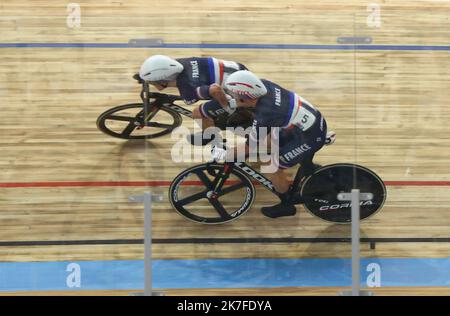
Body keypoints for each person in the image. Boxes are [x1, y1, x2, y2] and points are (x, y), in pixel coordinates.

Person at [222, 70, 336, 218]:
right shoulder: (265, 85)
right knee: (268, 141)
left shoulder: (266, 114)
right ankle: (308, 166)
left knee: (271, 167)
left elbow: (250, 146)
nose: (234, 98)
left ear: (247, 98)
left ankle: (287, 204)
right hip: (309, 123)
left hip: (309, 136)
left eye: (236, 96)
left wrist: (225, 154)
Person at [138, 55, 248, 144]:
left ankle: (210, 135)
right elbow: (158, 67)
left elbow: (215, 90)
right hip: (240, 70)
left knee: (198, 113)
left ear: (163, 81)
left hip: (238, 90)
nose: (151, 84)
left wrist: (227, 106)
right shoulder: (180, 63)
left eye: (152, 82)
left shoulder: (188, 88)